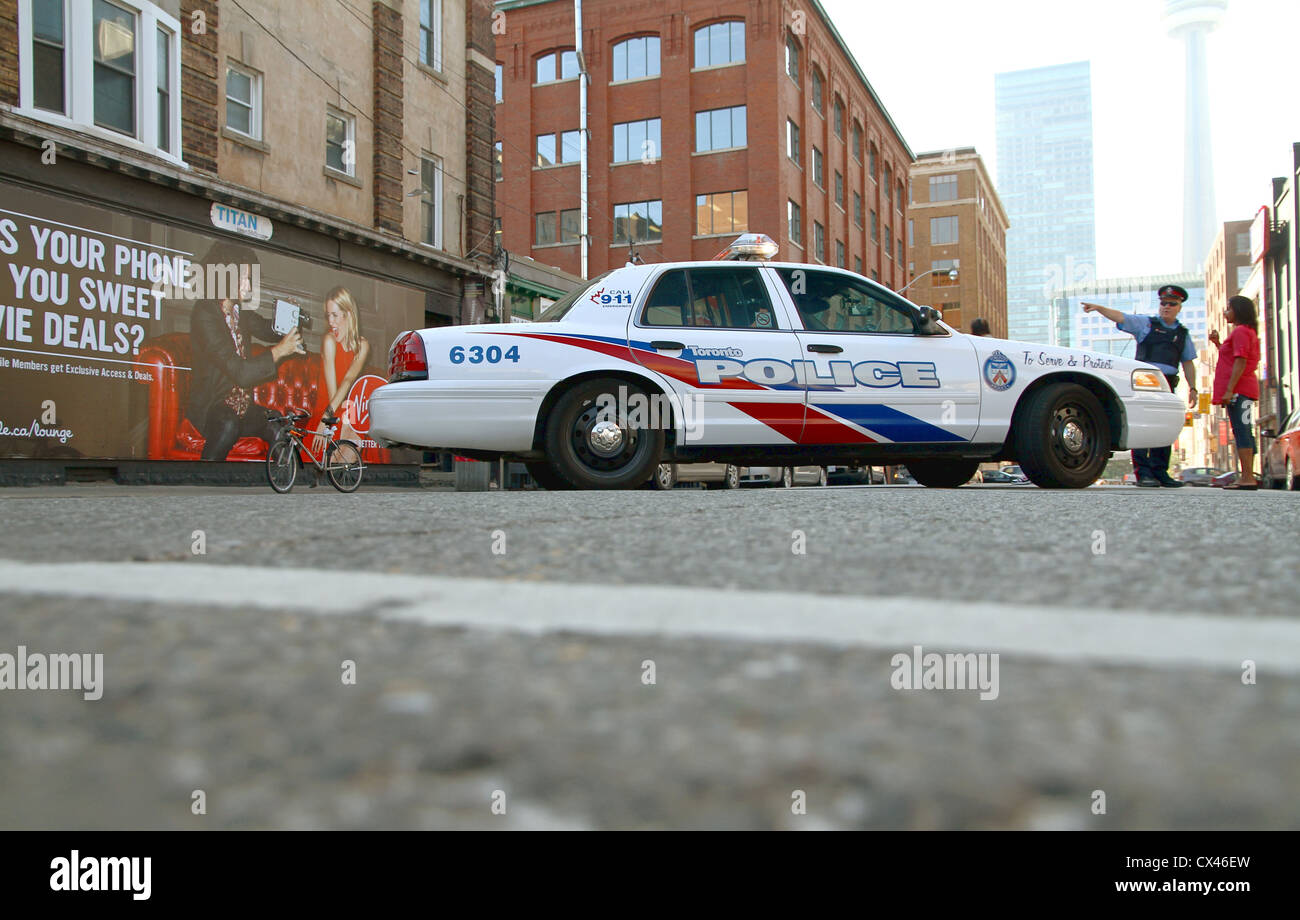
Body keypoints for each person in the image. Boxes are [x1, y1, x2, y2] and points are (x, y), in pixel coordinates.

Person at [187, 242, 304, 461]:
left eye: (248, 279)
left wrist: (288, 315)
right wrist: (279, 351)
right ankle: (203, 480)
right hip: (213, 407)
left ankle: (282, 483)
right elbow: (240, 372)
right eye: (243, 278)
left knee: (276, 423)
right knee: (227, 424)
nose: (247, 286)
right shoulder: (205, 314)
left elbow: (269, 330)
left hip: (240, 407)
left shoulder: (239, 313)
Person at [1082, 284, 1198, 487]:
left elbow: (1188, 363)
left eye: (1172, 304)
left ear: (1179, 307)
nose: (1166, 307)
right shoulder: (1146, 324)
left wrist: (1193, 388)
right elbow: (1121, 317)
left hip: (1168, 385)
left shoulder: (1183, 334)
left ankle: (1161, 472)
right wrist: (1100, 308)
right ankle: (1143, 472)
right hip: (1144, 383)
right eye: (1163, 303)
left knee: (1164, 428)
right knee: (1143, 427)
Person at [1208, 294, 1261, 490]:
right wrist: (1218, 343)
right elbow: (1233, 357)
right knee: (1244, 429)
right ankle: (1247, 475)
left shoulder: (1240, 331)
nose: (1225, 312)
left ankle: (1247, 476)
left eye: (1228, 308)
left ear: (1238, 311)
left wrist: (1229, 390)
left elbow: (1240, 361)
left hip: (1239, 391)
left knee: (1241, 430)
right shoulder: (1246, 332)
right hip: (1245, 390)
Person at [311, 287, 371, 456]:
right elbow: (332, 393)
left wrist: (348, 422)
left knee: (355, 443)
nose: (331, 322)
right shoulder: (329, 341)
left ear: (349, 315)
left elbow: (348, 380)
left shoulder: (362, 346)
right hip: (328, 408)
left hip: (344, 409)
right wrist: (327, 421)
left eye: (335, 315)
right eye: (328, 315)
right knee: (339, 451)